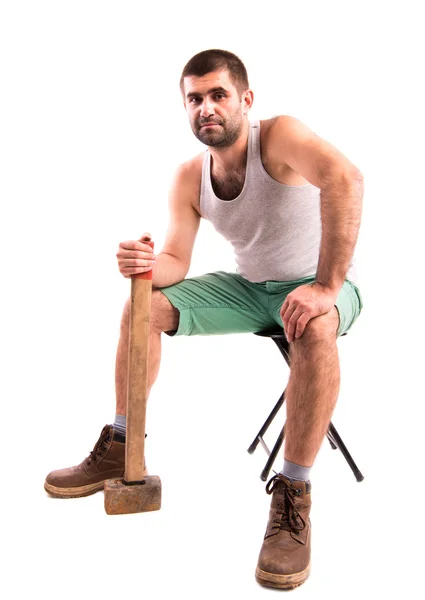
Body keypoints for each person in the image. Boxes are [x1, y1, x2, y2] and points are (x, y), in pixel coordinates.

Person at [44, 49, 364, 589]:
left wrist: (326, 286)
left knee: (315, 326)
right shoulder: (191, 175)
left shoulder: (279, 136)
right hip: (247, 289)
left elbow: (346, 179)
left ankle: (293, 495)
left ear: (246, 99)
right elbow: (175, 261)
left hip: (319, 285)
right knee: (140, 304)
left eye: (218, 94)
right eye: (194, 98)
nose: (206, 108)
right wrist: (145, 265)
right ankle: (123, 444)